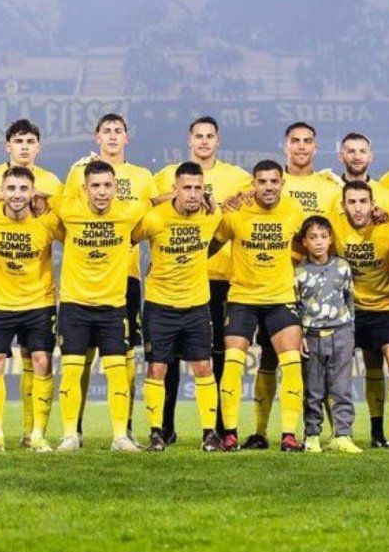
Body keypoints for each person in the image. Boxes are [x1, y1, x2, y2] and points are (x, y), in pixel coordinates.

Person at [244, 121, 343, 450]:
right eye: (295, 141)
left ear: (316, 147)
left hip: (317, 289)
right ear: (285, 146)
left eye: (307, 141)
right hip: (276, 287)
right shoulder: (268, 184)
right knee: (271, 359)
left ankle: (327, 433)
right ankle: (261, 431)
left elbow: (335, 239)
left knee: (321, 362)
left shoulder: (330, 187)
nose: (301, 146)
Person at [154, 116, 251, 445]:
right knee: (167, 361)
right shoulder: (168, 175)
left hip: (223, 280)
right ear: (189, 140)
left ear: (218, 141)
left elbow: (265, 197)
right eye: (199, 136)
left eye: (210, 136)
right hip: (176, 279)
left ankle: (220, 429)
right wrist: (174, 198)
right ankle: (164, 429)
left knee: (214, 358)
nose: (205, 141)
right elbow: (146, 206)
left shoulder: (238, 177)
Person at [0, 119, 65, 449]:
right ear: (7, 145)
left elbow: (71, 222)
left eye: (30, 141)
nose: (24, 146)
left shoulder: (53, 183)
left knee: (38, 360)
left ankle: (34, 434)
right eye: (18, 140)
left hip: (38, 296)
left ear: (38, 146)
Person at [64, 113, 154, 444]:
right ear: (96, 137)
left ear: (127, 137)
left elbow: (156, 211)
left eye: (119, 131)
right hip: (84, 283)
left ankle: (124, 429)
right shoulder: (77, 172)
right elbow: (64, 216)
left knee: (125, 357)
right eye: (107, 131)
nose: (113, 136)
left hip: (124, 278)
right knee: (80, 358)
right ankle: (75, 429)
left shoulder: (143, 176)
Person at [209, 159, 307, 452]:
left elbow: (306, 244)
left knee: (290, 365)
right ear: (253, 184)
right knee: (232, 362)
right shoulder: (236, 214)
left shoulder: (294, 210)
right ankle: (230, 433)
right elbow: (210, 246)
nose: (268, 187)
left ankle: (288, 434)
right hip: (242, 299)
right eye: (262, 181)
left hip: (280, 299)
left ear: (282, 184)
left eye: (273, 181)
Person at [131, 162, 223, 452]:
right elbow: (130, 238)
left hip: (197, 305)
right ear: (176, 188)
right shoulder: (155, 218)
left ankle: (209, 433)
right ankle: (156, 433)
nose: (193, 194)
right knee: (157, 369)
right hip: (159, 306)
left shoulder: (213, 214)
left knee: (204, 368)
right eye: (187, 188)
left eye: (198, 188)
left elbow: (216, 241)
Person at [53, 160, 143, 453]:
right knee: (71, 372)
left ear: (116, 187)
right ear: (84, 188)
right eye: (95, 185)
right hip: (74, 306)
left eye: (107, 185)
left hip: (113, 307)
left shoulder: (129, 212)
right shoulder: (67, 209)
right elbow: (34, 199)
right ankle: (70, 435)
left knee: (118, 372)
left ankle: (120, 437)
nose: (102, 192)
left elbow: (162, 201)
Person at [330, 181, 389, 448]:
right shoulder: (333, 227)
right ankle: (341, 433)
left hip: (385, 310)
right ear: (343, 206)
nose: (358, 207)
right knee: (339, 372)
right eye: (352, 202)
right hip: (348, 312)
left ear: (373, 204)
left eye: (363, 201)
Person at [295, 216, 361, 454]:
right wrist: (301, 334)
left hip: (341, 333)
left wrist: (351, 333)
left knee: (341, 388)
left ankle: (343, 434)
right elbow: (296, 306)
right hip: (312, 336)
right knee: (313, 389)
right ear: (304, 242)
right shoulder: (299, 272)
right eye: (313, 237)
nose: (319, 242)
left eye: (323, 237)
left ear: (331, 239)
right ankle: (312, 434)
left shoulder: (342, 267)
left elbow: (349, 301)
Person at [337, 132, 389, 219]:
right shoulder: (330, 191)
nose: (357, 157)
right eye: (351, 151)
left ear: (370, 157)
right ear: (341, 157)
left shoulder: (387, 195)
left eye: (362, 151)